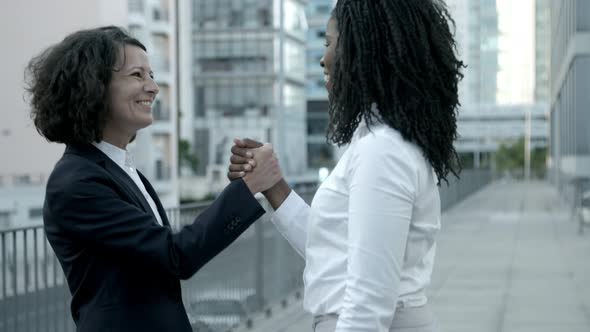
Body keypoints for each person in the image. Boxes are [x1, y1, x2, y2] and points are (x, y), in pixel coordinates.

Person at [25, 26, 281, 332]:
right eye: (137, 75)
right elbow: (176, 255)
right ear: (94, 86)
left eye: (152, 75)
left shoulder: (121, 170)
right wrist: (248, 186)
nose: (153, 87)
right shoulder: (76, 182)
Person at [228, 0, 464, 331]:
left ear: (366, 51)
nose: (323, 59)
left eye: (329, 43)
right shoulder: (379, 141)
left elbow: (368, 305)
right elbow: (334, 250)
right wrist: (273, 184)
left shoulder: (383, 151)